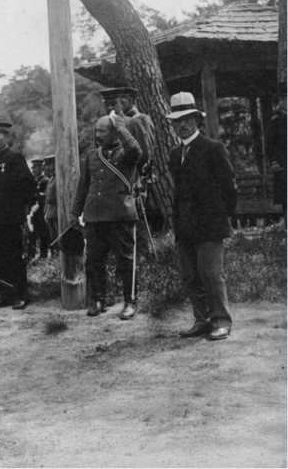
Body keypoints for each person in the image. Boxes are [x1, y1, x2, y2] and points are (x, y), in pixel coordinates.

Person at [168, 92, 237, 341]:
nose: (182, 125)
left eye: (187, 119)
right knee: (190, 276)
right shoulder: (175, 154)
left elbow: (229, 188)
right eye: (177, 120)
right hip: (185, 225)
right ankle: (202, 320)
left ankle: (221, 321)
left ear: (197, 119)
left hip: (210, 224)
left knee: (211, 274)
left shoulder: (213, 148)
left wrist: (223, 216)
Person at [72, 114, 142, 320]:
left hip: (120, 215)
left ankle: (130, 301)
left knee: (125, 261)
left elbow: (136, 150)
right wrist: (75, 212)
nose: (98, 135)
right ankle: (98, 300)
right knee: (94, 260)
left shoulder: (127, 154)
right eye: (96, 131)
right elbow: (83, 186)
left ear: (114, 133)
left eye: (102, 131)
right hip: (94, 216)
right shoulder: (92, 156)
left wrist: (121, 127)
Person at [0, 122, 37, 310]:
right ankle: (5, 295)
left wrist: (21, 208)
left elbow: (29, 185)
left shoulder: (14, 159)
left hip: (11, 220)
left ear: (6, 137)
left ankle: (20, 295)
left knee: (14, 257)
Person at [100, 87, 157, 258]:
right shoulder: (104, 125)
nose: (110, 107)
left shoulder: (137, 121)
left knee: (135, 216)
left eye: (116, 103)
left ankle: (141, 257)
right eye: (106, 103)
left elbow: (146, 153)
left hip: (134, 178)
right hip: (112, 181)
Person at [267, 82, 287, 220]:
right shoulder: (276, 121)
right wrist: (274, 161)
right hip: (283, 165)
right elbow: (270, 144)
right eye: (284, 99)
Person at [26, 158, 50, 263]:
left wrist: (39, 196)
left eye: (35, 167)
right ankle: (31, 255)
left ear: (41, 168)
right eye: (32, 168)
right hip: (32, 212)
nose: (33, 170)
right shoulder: (33, 181)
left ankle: (43, 256)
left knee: (43, 233)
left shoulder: (45, 180)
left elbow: (47, 196)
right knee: (31, 234)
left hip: (41, 211)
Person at [42, 155, 59, 256]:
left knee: (59, 238)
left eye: (49, 164)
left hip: (57, 213)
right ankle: (56, 257)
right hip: (50, 213)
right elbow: (47, 198)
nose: (47, 167)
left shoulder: (59, 178)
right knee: (53, 238)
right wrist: (46, 212)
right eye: (46, 165)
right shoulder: (51, 179)